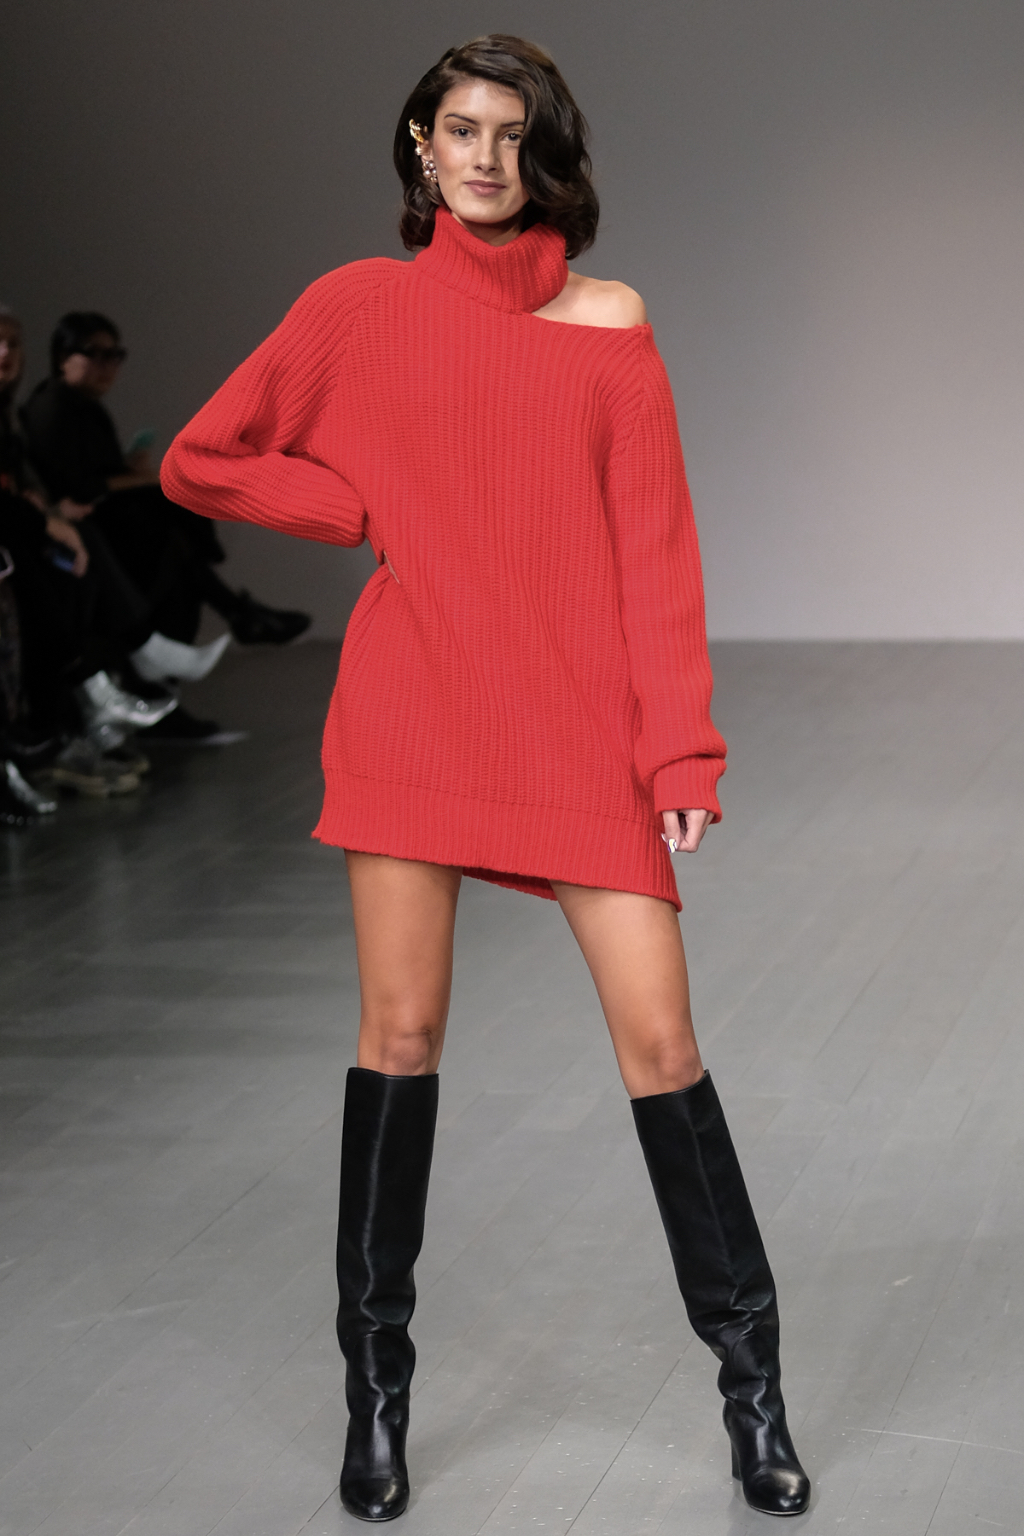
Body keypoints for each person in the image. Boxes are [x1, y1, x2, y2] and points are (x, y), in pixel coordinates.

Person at [162, 35, 810, 1522]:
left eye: (512, 134)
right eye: (460, 130)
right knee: (400, 1035)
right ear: (420, 144)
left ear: (545, 152)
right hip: (414, 713)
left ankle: (754, 1392)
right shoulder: (361, 305)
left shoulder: (609, 320)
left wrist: (681, 746)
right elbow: (203, 457)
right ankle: (377, 1400)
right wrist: (355, 508)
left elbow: (655, 553)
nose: (485, 158)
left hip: (574, 727)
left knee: (663, 1046)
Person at [20, 311, 310, 741]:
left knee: (178, 549)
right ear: (63, 356)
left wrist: (131, 471)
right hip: (92, 532)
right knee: (176, 535)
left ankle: (220, 624)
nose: (106, 365)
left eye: (114, 355)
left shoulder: (78, 407)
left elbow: (91, 476)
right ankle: (232, 612)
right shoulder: (54, 407)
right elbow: (80, 486)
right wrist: (142, 478)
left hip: (109, 529)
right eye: (94, 353)